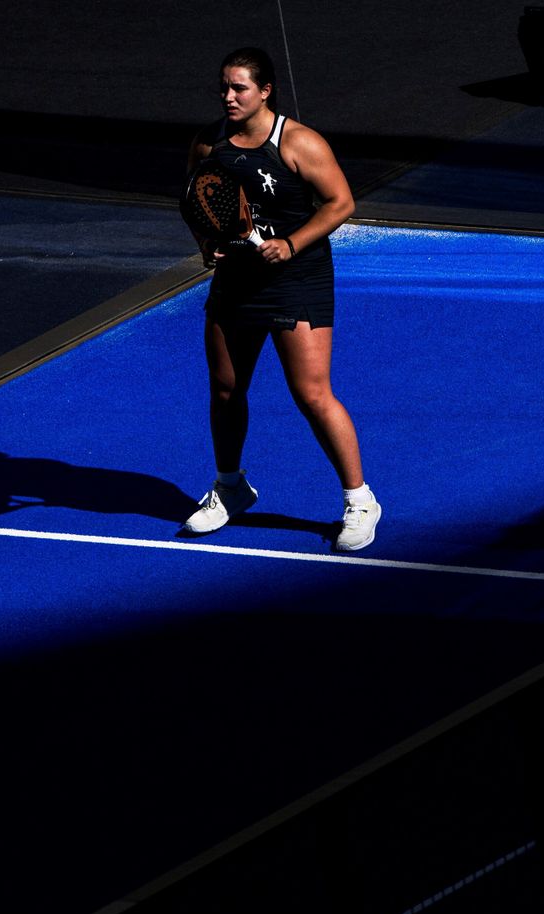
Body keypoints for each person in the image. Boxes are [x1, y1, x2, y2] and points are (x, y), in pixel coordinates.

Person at [181, 46, 380, 550]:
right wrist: (208, 245)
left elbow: (342, 202)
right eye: (224, 87)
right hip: (237, 282)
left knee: (311, 393)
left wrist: (291, 244)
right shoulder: (209, 143)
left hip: (297, 279)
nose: (228, 97)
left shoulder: (299, 143)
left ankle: (360, 500)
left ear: (265, 91)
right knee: (226, 389)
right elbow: (196, 200)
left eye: (239, 88)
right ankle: (230, 488)